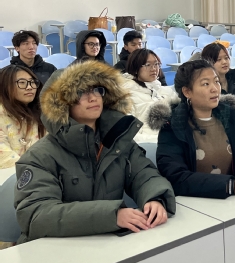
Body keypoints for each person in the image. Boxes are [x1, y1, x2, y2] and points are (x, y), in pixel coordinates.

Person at [14, 60, 176, 243]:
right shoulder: (39, 157)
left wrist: (154, 198)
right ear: (61, 103)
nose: (93, 98)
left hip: (105, 244)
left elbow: (144, 174)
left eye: (97, 90)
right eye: (81, 92)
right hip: (52, 249)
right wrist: (111, 216)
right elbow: (35, 215)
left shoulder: (118, 141)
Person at [151, 59, 235, 199]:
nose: (215, 89)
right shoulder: (173, 127)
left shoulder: (230, 117)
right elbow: (176, 177)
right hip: (196, 204)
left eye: (216, 81)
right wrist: (230, 186)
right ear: (187, 91)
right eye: (205, 84)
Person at [121, 49, 180, 143]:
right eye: (148, 65)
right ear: (135, 68)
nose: (154, 68)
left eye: (156, 64)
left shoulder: (161, 90)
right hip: (149, 145)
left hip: (170, 141)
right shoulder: (126, 96)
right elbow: (130, 134)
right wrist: (161, 141)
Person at [0, 66, 45, 169]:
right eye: (22, 83)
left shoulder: (42, 114)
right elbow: (4, 159)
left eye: (32, 82)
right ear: (5, 86)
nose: (29, 87)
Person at [200, 42, 235, 109]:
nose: (224, 62)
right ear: (207, 62)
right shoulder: (206, 88)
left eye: (226, 58)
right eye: (219, 59)